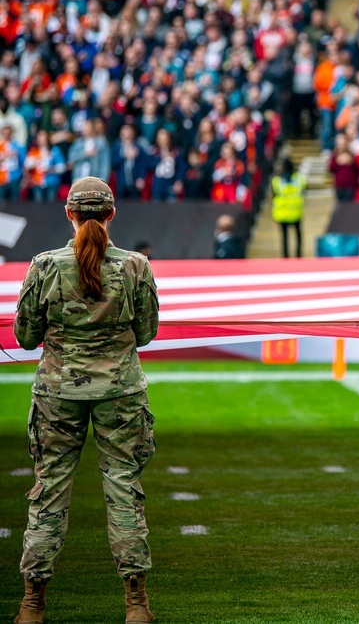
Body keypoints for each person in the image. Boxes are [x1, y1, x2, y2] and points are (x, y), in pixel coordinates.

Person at [13, 177, 158, 624]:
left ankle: (32, 605)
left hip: (58, 394)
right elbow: (148, 334)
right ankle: (136, 606)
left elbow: (25, 336)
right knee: (124, 492)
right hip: (121, 394)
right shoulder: (135, 265)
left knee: (48, 494)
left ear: (68, 214)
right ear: (111, 215)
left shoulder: (44, 265)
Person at [272, 158, 306, 259]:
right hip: (296, 211)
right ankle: (298, 255)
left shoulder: (277, 180)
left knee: (285, 237)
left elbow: (274, 195)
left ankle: (285, 256)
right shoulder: (300, 179)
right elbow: (303, 192)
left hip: (282, 212)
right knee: (298, 235)